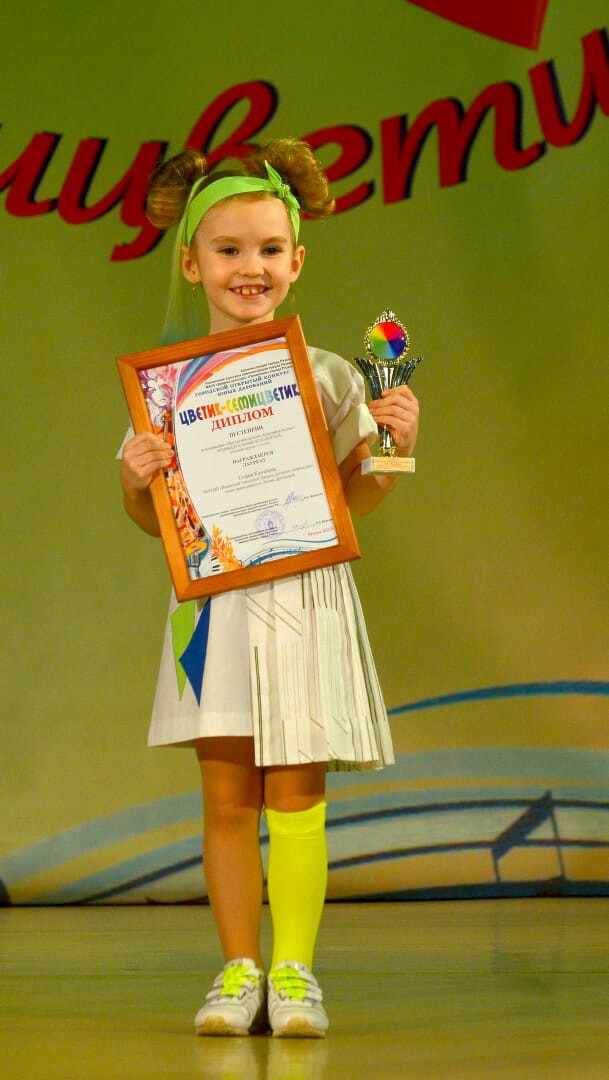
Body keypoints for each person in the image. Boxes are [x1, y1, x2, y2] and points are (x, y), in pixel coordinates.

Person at [119, 138, 419, 1038]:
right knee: (226, 800)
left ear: (297, 260)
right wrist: (137, 481)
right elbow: (155, 523)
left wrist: (393, 445)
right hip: (213, 608)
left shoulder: (329, 376)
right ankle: (237, 971)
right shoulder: (165, 390)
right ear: (192, 262)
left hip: (301, 602)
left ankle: (294, 973)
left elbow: (352, 500)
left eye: (268, 249)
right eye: (229, 249)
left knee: (295, 796)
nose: (250, 267)